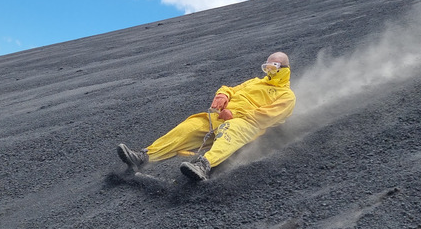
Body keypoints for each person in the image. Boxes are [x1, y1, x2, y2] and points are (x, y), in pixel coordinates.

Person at [117, 51, 296, 181]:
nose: (269, 70)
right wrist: (223, 95)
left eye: (273, 67)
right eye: (267, 66)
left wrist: (234, 115)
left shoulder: (286, 96)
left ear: (284, 69)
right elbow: (232, 89)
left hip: (246, 124)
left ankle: (204, 166)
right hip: (220, 116)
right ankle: (144, 156)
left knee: (230, 130)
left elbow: (268, 116)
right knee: (190, 126)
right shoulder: (255, 82)